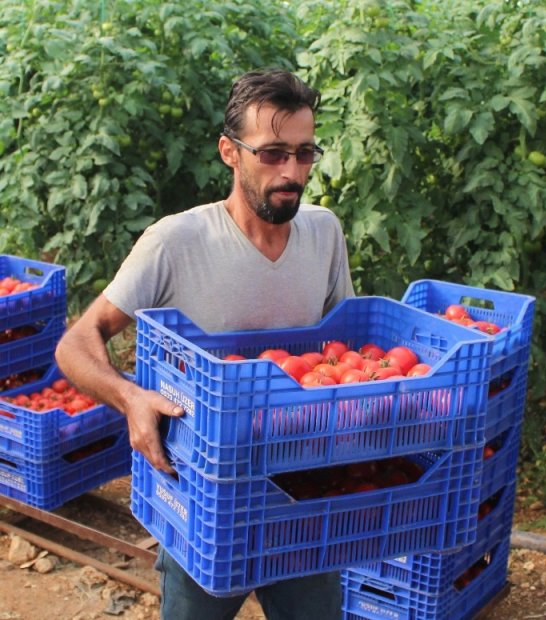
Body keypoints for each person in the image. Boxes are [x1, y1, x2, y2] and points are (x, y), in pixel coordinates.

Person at [54, 68, 354, 620]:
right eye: (272, 153)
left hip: (305, 495)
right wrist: (130, 398)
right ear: (229, 152)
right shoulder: (177, 241)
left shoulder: (324, 233)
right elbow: (77, 342)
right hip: (203, 505)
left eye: (304, 153)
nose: (292, 172)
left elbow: (343, 356)